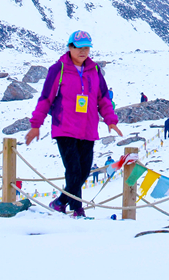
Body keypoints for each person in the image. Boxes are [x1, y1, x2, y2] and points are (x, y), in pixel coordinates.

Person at [25, 30, 122, 218]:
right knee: (73, 169)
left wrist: (110, 120)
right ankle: (77, 209)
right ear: (70, 47)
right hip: (65, 127)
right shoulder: (58, 70)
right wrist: (36, 124)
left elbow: (102, 98)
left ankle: (60, 202)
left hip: (88, 129)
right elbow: (46, 98)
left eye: (86, 47)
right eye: (78, 47)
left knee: (84, 170)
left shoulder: (94, 71)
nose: (82, 51)